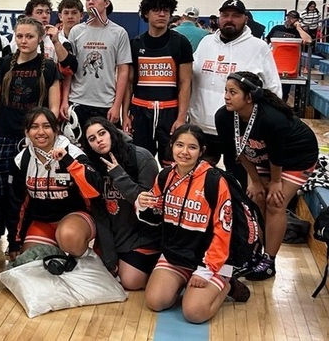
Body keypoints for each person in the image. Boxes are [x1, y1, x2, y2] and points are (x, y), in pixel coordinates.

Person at [136, 124, 249, 324]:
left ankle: (227, 284)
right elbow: (155, 216)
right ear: (171, 146)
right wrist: (142, 204)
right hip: (176, 254)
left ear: (201, 151)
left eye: (192, 147)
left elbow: (224, 231)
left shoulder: (214, 180)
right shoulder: (165, 176)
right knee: (155, 301)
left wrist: (207, 269)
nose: (184, 152)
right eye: (179, 145)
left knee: (194, 313)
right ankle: (185, 282)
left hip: (210, 260)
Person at [215, 71, 318, 281]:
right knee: (255, 199)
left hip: (297, 157)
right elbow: (237, 151)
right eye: (226, 91)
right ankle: (255, 253)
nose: (226, 96)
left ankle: (269, 261)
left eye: (232, 92)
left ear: (249, 97)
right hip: (262, 157)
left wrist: (276, 182)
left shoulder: (272, 118)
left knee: (275, 203)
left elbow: (276, 155)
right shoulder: (223, 116)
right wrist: (255, 180)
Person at [0, 17, 61, 258]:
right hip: (3, 136)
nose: (24, 41)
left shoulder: (48, 67)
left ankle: (17, 239)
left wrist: (49, 138)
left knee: (22, 191)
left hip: (33, 138)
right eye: (20, 36)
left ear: (40, 39)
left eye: (29, 36)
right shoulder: (6, 63)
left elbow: (54, 108)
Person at [190, 0, 282, 185]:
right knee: (200, 183)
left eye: (236, 16)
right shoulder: (206, 42)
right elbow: (190, 78)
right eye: (225, 15)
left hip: (239, 132)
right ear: (219, 17)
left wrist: (266, 126)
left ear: (245, 19)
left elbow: (273, 89)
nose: (229, 19)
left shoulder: (259, 47)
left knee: (239, 184)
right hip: (202, 127)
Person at [11, 108, 102, 260]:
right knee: (30, 261)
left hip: (76, 218)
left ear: (56, 129)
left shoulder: (73, 153)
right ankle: (60, 260)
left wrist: (68, 162)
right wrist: (14, 240)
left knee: (68, 237)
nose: (41, 132)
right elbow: (17, 203)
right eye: (34, 127)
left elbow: (95, 189)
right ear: (27, 132)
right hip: (43, 222)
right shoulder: (22, 160)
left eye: (46, 126)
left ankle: (92, 262)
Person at [82, 117, 160, 290]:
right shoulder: (92, 166)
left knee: (131, 282)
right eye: (92, 139)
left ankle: (163, 270)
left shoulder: (141, 157)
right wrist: (110, 258)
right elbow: (100, 213)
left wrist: (119, 175)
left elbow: (148, 207)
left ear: (112, 132)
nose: (99, 140)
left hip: (142, 235)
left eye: (102, 133)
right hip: (115, 235)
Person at [125, 0, 193, 165]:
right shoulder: (135, 43)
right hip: (140, 112)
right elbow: (129, 84)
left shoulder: (180, 42)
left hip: (169, 112)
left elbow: (186, 83)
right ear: (146, 13)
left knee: (173, 163)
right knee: (140, 162)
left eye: (166, 10)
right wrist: (125, 114)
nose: (162, 14)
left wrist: (181, 118)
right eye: (156, 10)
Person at [63, 0, 132, 126]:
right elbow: (69, 68)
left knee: (104, 146)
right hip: (77, 100)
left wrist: (116, 105)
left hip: (105, 103)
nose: (91, 2)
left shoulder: (119, 33)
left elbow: (123, 71)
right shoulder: (76, 31)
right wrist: (64, 101)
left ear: (106, 3)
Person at [10, 0, 77, 72]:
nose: (45, 16)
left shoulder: (61, 40)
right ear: (28, 16)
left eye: (48, 12)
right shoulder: (16, 38)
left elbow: (71, 68)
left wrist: (56, 42)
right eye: (39, 12)